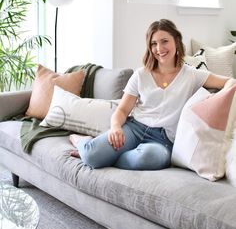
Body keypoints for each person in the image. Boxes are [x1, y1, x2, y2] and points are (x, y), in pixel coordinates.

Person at [69, 19, 236, 170]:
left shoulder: (192, 75)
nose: (159, 49)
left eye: (164, 41)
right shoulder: (141, 75)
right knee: (92, 156)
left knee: (151, 158)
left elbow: (229, 82)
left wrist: (216, 100)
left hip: (163, 140)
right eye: (154, 43)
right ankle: (82, 142)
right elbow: (121, 111)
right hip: (134, 129)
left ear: (176, 42)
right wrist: (116, 127)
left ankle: (103, 156)